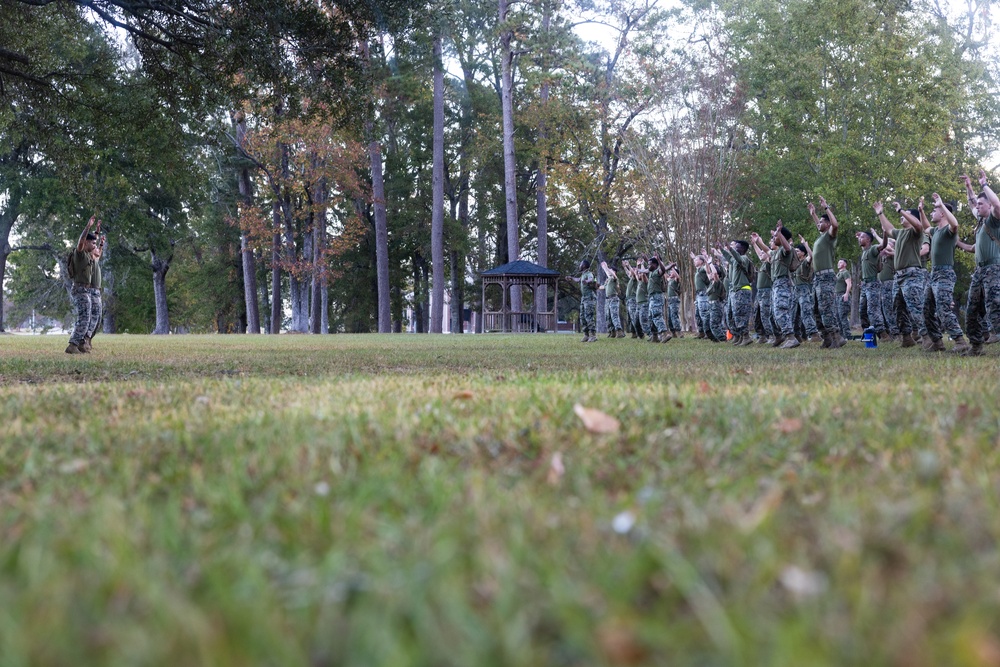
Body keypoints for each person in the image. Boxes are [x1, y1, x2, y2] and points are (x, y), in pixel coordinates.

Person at [920, 193, 970, 352]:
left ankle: (960, 341)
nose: (931, 213)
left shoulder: (949, 231)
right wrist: (921, 211)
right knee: (926, 309)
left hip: (945, 274)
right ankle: (937, 342)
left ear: (942, 213)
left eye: (934, 210)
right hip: (933, 274)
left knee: (943, 309)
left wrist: (941, 204)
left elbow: (954, 224)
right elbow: (925, 227)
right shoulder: (935, 231)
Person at [957, 171, 1000, 356]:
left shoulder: (994, 220)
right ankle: (976, 347)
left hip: (994, 270)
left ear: (989, 207)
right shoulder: (981, 221)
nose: (977, 205)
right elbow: (971, 203)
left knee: (996, 307)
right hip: (980, 271)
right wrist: (969, 187)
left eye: (981, 204)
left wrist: (984, 184)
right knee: (972, 309)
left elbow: (997, 204)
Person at [875, 200, 928, 347]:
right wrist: (880, 213)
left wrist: (901, 210)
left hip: (912, 274)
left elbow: (918, 225)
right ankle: (907, 338)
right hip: (899, 276)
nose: (902, 217)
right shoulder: (901, 233)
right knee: (898, 307)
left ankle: (929, 338)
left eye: (906, 216)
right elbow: (889, 228)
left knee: (916, 307)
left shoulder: (915, 232)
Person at [807, 197, 846, 348]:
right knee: (816, 309)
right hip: (817, 279)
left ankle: (837, 337)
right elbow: (819, 224)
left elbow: (835, 224)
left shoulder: (830, 237)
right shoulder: (821, 238)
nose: (819, 224)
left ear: (827, 224)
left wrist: (826, 208)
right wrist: (813, 214)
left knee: (827, 309)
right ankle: (827, 338)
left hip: (826, 277)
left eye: (822, 222)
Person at [66, 216, 99, 354]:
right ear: (86, 242)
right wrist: (88, 226)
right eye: (92, 243)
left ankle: (81, 344)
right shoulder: (79, 253)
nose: (94, 245)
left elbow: (96, 250)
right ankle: (72, 345)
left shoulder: (88, 255)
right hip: (80, 289)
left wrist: (96, 233)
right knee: (84, 318)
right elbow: (81, 241)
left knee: (90, 317)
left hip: (86, 290)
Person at [720, 240, 754, 345]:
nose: (735, 249)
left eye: (737, 247)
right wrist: (721, 249)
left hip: (743, 290)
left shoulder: (744, 258)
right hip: (736, 290)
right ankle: (740, 336)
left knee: (741, 315)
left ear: (743, 249)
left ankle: (746, 337)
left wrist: (729, 249)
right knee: (735, 315)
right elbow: (729, 258)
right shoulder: (734, 260)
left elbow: (738, 259)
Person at [857, 229, 886, 340]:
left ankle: (883, 334)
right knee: (862, 310)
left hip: (873, 284)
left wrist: (884, 234)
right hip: (865, 285)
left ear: (868, 240)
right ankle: (868, 334)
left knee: (873, 310)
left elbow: (883, 245)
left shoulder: (873, 249)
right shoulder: (864, 252)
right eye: (860, 237)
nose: (860, 239)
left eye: (862, 237)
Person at [81, 224, 106, 352]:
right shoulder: (86, 256)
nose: (96, 247)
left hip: (97, 290)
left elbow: (98, 253)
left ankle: (89, 339)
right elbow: (87, 244)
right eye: (94, 244)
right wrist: (95, 232)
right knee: (91, 317)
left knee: (97, 318)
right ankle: (84, 340)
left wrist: (101, 244)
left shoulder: (95, 258)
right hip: (90, 290)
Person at [792, 237, 820, 342]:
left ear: (803, 253)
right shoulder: (795, 264)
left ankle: (814, 334)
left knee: (806, 312)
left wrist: (805, 244)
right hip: (795, 290)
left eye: (797, 251)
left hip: (804, 290)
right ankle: (797, 335)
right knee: (794, 314)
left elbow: (812, 256)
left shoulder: (805, 263)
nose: (795, 252)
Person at [569, 259, 598, 342]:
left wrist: (587, 281)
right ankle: (586, 335)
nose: (579, 265)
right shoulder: (583, 274)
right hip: (584, 298)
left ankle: (593, 335)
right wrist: (571, 278)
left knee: (589, 316)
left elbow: (591, 279)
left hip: (589, 298)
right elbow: (578, 280)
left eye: (581, 264)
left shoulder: (589, 273)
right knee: (582, 317)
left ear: (584, 266)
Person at [704, 254, 727, 342]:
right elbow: (707, 271)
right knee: (706, 325)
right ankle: (714, 340)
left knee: (714, 324)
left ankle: (723, 339)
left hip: (716, 306)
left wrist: (710, 263)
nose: (709, 274)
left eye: (711, 273)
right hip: (709, 306)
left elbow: (714, 273)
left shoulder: (718, 282)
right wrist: (706, 261)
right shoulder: (711, 283)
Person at [600, 261, 625, 338]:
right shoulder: (608, 280)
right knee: (608, 316)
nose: (609, 271)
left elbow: (613, 275)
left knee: (614, 315)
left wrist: (606, 267)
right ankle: (612, 332)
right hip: (608, 300)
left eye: (611, 270)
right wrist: (595, 286)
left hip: (614, 298)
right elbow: (603, 287)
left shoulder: (615, 279)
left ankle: (619, 332)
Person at [692, 252, 711, 339]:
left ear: (702, 261)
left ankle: (708, 332)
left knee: (704, 314)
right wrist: (694, 257)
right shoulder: (698, 269)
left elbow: (708, 270)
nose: (694, 261)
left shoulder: (703, 268)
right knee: (698, 315)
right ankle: (701, 332)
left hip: (703, 294)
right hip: (698, 294)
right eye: (694, 260)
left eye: (696, 260)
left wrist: (706, 260)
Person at [835, 259, 852, 340]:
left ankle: (848, 336)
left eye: (841, 262)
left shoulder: (845, 273)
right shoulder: (839, 273)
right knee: (837, 317)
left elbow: (849, 284)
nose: (838, 263)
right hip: (836, 296)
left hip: (842, 296)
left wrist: (846, 294)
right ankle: (841, 337)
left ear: (845, 264)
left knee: (843, 316)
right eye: (838, 262)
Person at [622, 260, 640, 338]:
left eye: (634, 269)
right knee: (630, 317)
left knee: (633, 317)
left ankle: (639, 333)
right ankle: (634, 333)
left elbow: (632, 272)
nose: (632, 270)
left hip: (633, 299)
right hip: (629, 299)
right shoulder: (631, 278)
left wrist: (628, 265)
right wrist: (625, 267)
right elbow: (628, 273)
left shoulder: (636, 277)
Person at [666, 267, 683, 338]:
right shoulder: (670, 280)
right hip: (669, 300)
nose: (670, 273)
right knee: (669, 318)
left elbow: (678, 277)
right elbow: (664, 274)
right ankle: (673, 333)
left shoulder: (676, 280)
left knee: (674, 316)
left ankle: (679, 332)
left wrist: (673, 268)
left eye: (671, 272)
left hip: (674, 300)